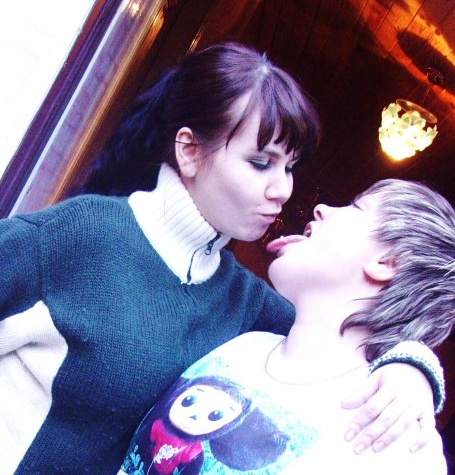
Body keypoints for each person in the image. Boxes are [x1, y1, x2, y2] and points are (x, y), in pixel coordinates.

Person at [0, 43, 443, 474]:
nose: (283, 190)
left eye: (289, 167)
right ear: (190, 151)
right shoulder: (82, 235)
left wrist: (413, 367)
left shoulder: (246, 305)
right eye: (261, 162)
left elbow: (348, 331)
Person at [119, 179, 454, 475]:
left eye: (356, 207)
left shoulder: (395, 433)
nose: (322, 209)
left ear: (387, 263)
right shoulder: (246, 345)